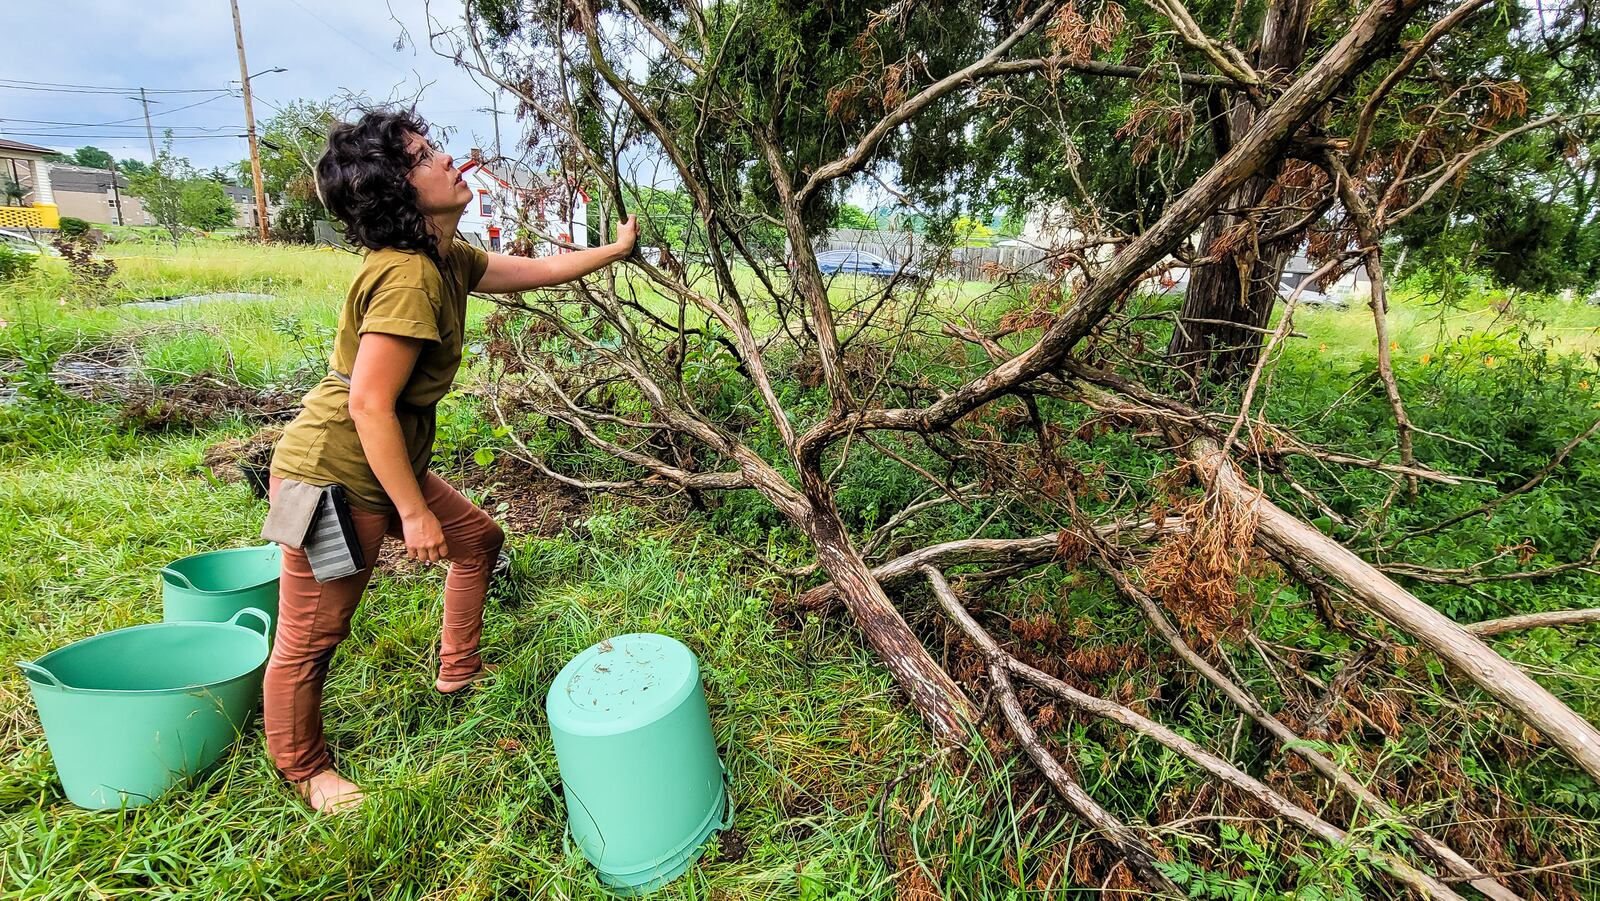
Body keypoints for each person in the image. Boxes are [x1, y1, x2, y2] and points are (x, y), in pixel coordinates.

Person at [263, 108, 636, 814]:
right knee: (312, 635)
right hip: (333, 476)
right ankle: (303, 767)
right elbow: (369, 405)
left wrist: (611, 252)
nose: (449, 159)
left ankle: (458, 671)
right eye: (427, 154)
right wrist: (410, 512)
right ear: (398, 190)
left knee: (479, 542)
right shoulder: (408, 277)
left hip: (379, 461)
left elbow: (534, 268)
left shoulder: (444, 257)